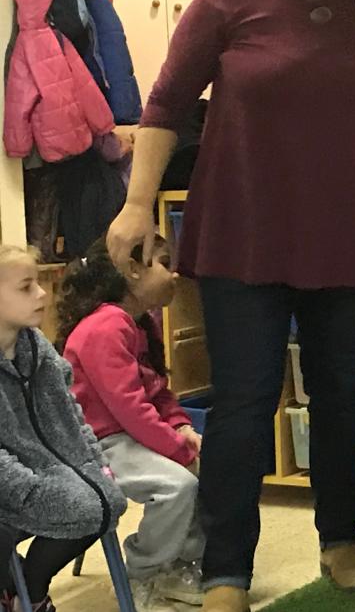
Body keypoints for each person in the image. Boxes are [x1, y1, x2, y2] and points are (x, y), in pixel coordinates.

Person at [106, 0, 355, 612]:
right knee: (244, 403)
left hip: (351, 233)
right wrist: (136, 203)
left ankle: (341, 537)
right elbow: (166, 104)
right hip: (245, 233)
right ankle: (227, 569)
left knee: (342, 395)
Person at [59, 235, 204, 612]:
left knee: (205, 468)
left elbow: (157, 391)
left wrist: (182, 428)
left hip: (128, 435)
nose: (173, 273)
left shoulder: (137, 322)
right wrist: (178, 449)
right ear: (133, 270)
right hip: (98, 446)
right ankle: (142, 571)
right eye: (163, 262)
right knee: (178, 486)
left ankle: (182, 564)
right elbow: (129, 407)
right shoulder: (105, 327)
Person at [0, 244, 127, 612]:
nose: (42, 294)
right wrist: (31, 489)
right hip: (14, 486)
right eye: (26, 287)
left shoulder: (38, 348)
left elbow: (72, 415)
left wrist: (95, 464)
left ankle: (30, 590)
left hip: (51, 471)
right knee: (81, 509)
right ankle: (21, 591)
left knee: (106, 501)